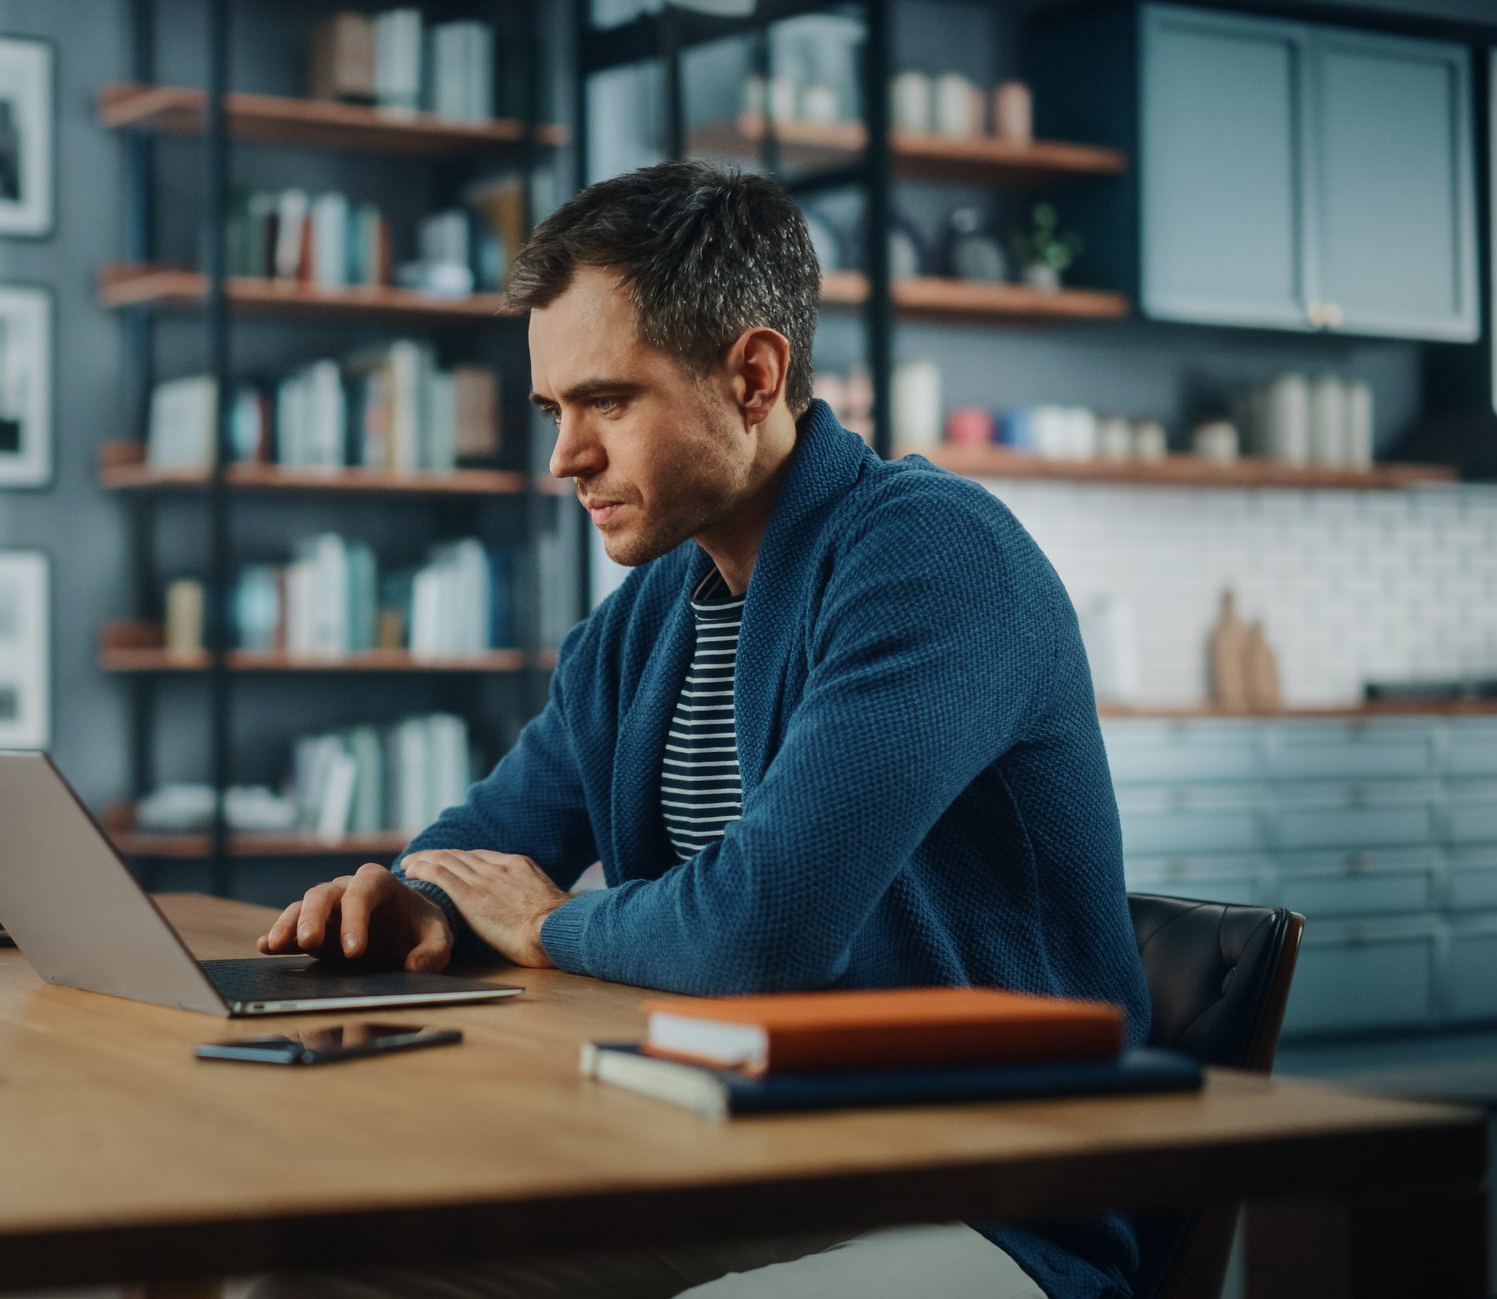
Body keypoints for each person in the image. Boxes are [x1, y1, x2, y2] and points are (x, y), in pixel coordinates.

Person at [252, 161, 1152, 1299]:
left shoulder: (932, 557)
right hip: (742, 1160)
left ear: (752, 375)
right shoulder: (640, 625)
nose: (563, 457)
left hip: (988, 1198)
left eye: (606, 402)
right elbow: (488, 842)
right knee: (323, 1278)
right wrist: (414, 900)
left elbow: (758, 929)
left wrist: (549, 925)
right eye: (551, 411)